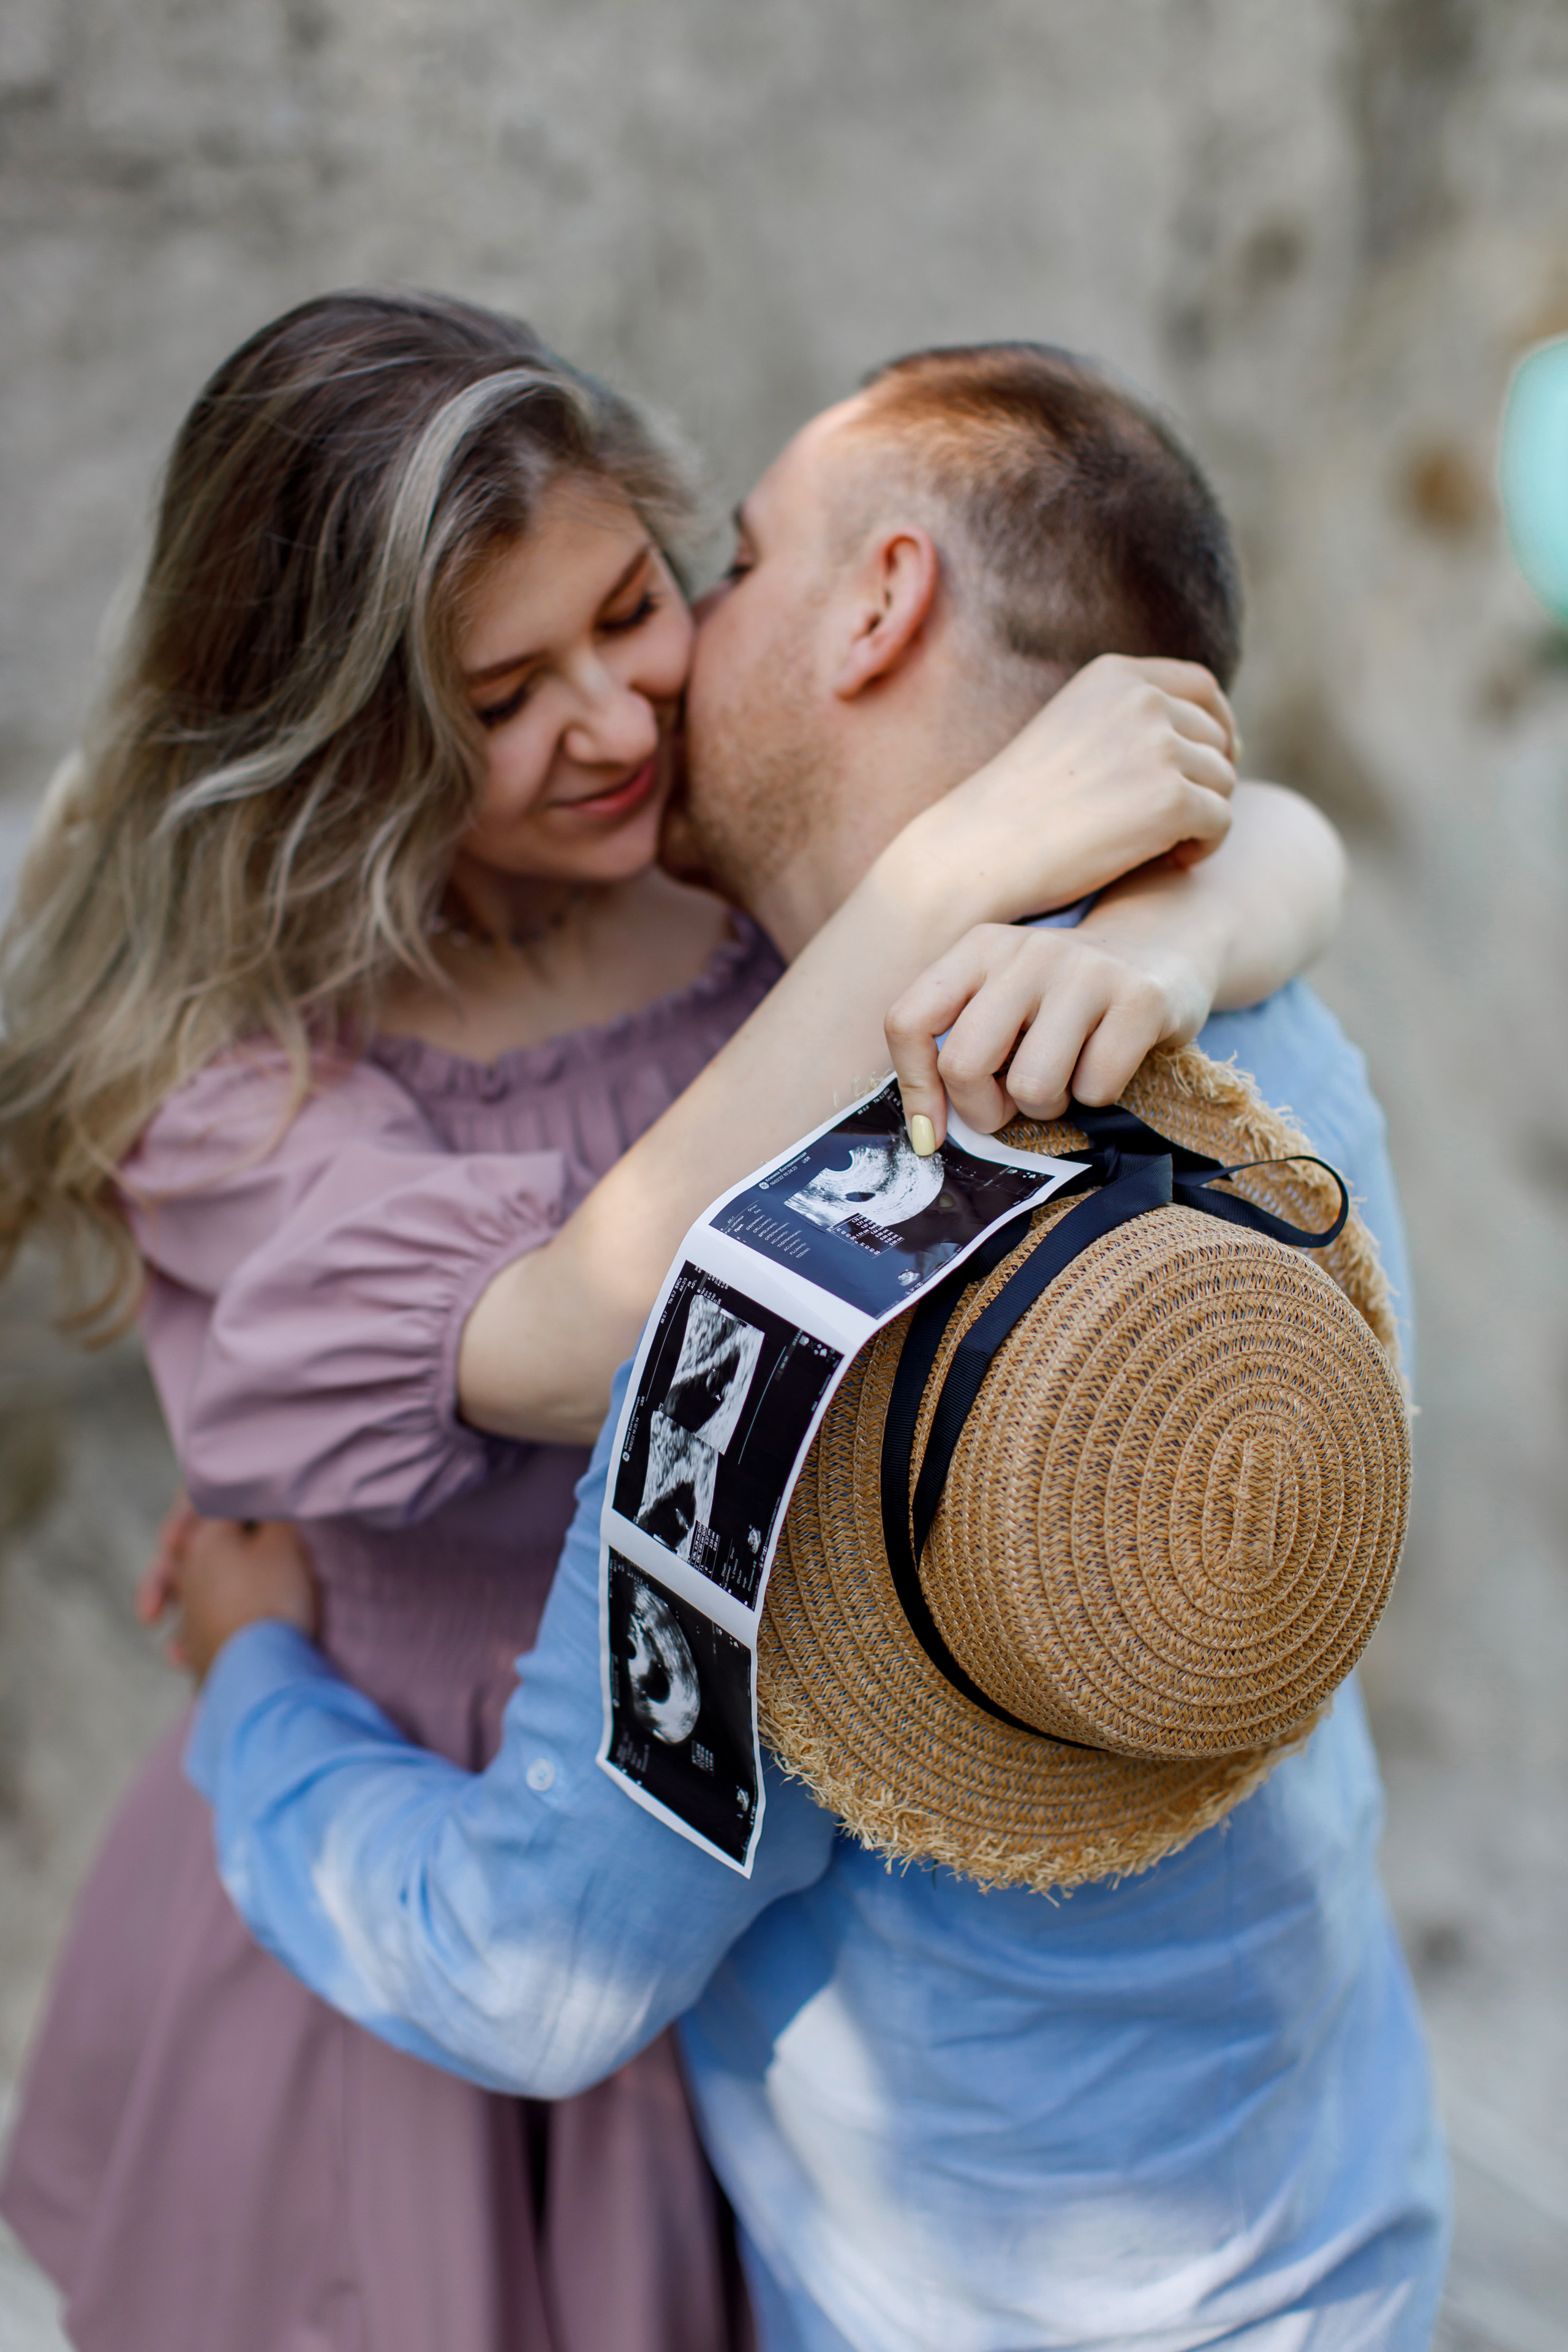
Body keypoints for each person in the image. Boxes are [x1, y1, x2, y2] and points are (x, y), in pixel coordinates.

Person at [0, 295, 1333, 2352]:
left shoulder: (734, 891)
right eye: (497, 697)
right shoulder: (247, 1076)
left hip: (730, 1887)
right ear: (348, 732)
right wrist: (947, 873)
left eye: (634, 608)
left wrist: (1195, 918)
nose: (615, 722)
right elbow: (579, 1334)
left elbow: (1266, 834)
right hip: (421, 1861)